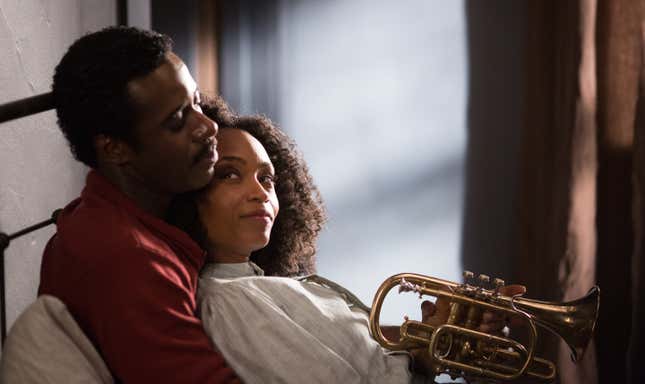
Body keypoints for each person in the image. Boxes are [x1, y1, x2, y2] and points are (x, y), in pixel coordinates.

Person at [170, 97, 525, 383]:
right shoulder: (229, 300)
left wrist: (434, 338)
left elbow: (364, 359)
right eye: (230, 174)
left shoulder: (261, 286)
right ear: (191, 192)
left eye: (267, 179)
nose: (260, 193)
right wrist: (425, 352)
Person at [38, 27, 240, 383]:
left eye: (196, 102)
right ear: (115, 149)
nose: (208, 126)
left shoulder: (113, 219)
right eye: (177, 120)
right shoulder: (126, 261)